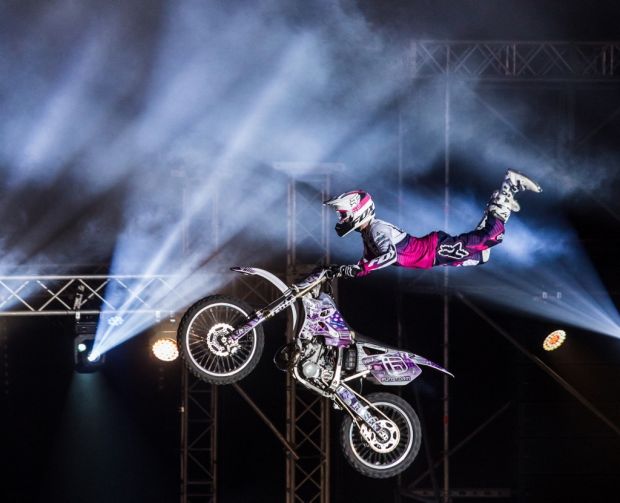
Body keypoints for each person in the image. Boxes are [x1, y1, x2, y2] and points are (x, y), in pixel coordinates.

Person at [324, 170, 542, 277]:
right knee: (482, 255)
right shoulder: (368, 234)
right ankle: (500, 203)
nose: (342, 219)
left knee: (492, 236)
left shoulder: (376, 229)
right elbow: (368, 259)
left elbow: (389, 256)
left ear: (358, 211)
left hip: (436, 250)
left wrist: (361, 269)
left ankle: (508, 187)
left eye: (344, 214)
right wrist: (344, 270)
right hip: (435, 257)